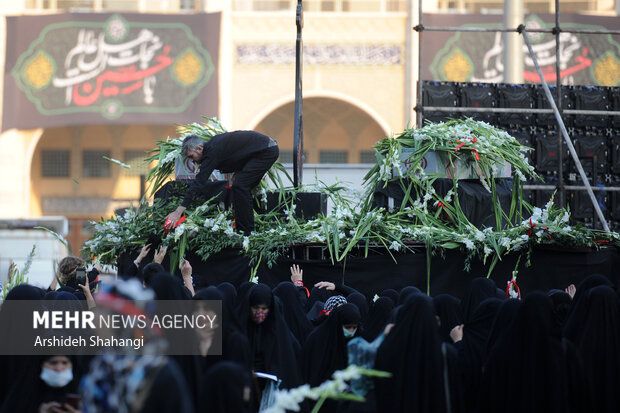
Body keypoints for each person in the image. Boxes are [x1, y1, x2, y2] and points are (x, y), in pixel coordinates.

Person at [165, 131, 279, 235]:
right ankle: (246, 230)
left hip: (266, 151)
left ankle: (246, 232)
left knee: (240, 186)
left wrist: (178, 211)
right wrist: (237, 172)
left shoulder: (212, 152)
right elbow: (243, 153)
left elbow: (199, 182)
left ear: (199, 149)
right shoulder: (213, 147)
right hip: (262, 150)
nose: (192, 161)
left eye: (191, 156)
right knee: (240, 186)